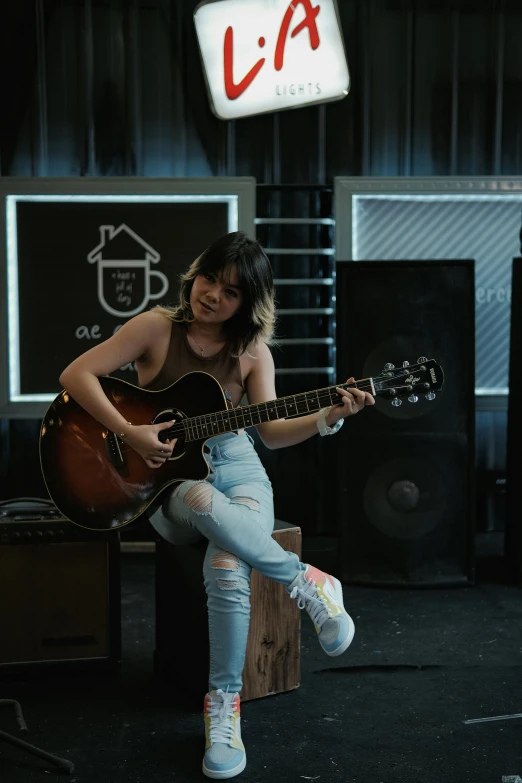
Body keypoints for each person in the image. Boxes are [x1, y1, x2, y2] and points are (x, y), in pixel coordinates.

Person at [59, 231, 375, 780]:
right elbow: (75, 375)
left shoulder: (253, 353)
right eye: (210, 279)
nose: (212, 295)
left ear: (247, 303)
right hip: (169, 481)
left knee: (228, 564)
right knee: (203, 499)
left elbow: (271, 433)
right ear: (195, 275)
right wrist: (130, 432)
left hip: (239, 463)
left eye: (231, 292)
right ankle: (306, 580)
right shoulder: (156, 327)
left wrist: (331, 415)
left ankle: (222, 708)